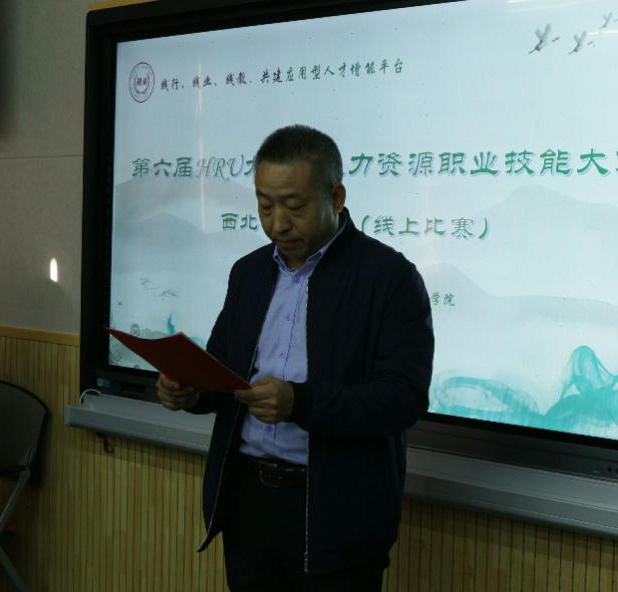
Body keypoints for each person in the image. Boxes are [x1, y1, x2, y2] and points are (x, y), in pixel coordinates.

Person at [156, 124, 434, 591]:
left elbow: (403, 398)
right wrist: (191, 390)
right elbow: (223, 369)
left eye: (294, 206)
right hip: (248, 503)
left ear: (336, 196)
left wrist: (301, 403)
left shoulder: (390, 279)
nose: (277, 224)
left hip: (338, 512)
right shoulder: (248, 273)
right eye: (265, 206)